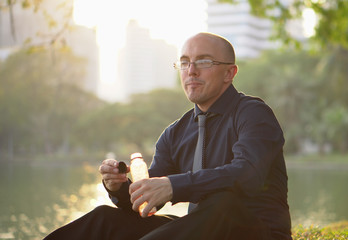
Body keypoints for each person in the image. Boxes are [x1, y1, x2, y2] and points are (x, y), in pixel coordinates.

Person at [44, 32, 292, 240]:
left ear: (229, 73)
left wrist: (174, 186)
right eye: (184, 62)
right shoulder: (175, 132)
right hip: (199, 229)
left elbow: (246, 175)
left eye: (204, 62)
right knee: (103, 219)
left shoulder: (253, 113)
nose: (191, 71)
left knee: (222, 204)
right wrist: (119, 187)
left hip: (256, 231)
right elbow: (148, 200)